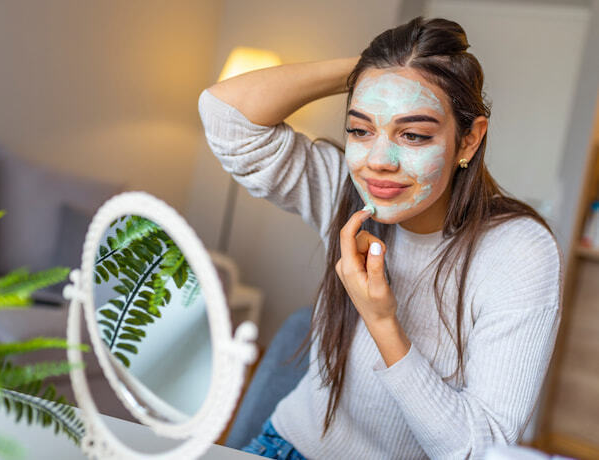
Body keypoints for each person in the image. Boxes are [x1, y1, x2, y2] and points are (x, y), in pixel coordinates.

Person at [198, 16, 563, 460]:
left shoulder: (517, 251)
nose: (378, 161)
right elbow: (225, 116)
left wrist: (382, 321)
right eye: (360, 129)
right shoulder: (346, 191)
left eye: (413, 134)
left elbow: (479, 450)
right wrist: (384, 66)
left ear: (469, 141)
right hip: (287, 446)